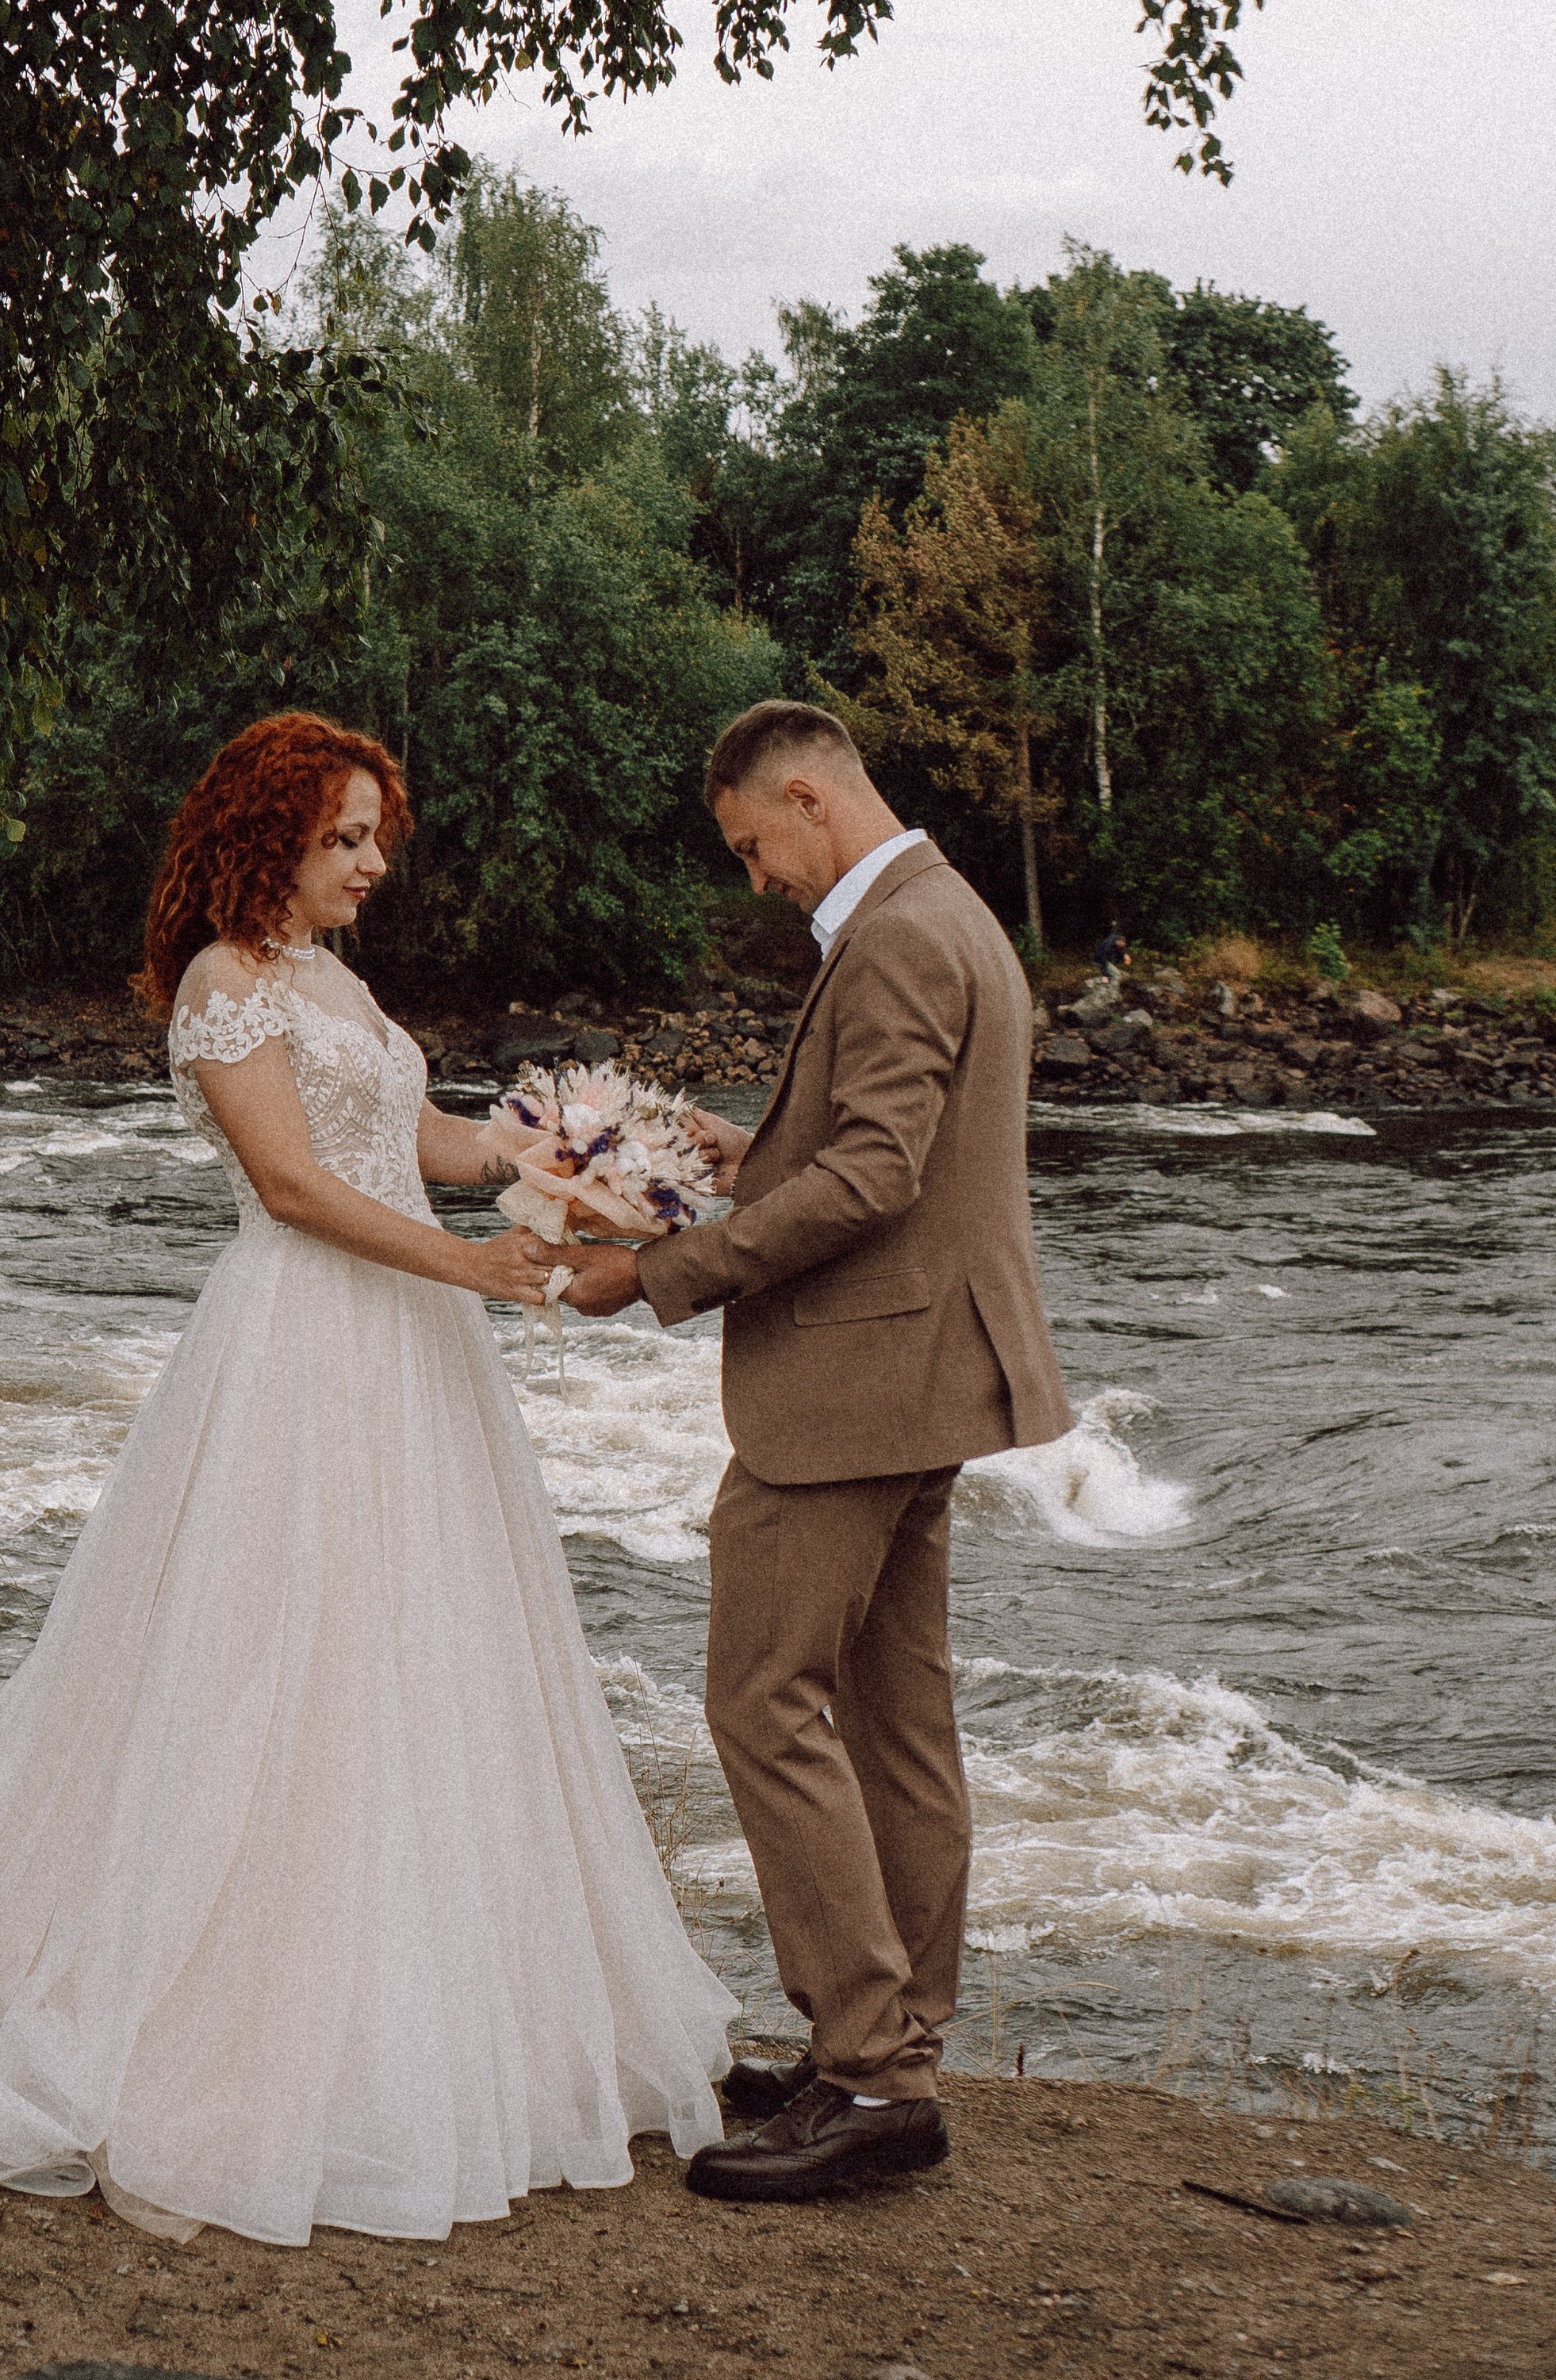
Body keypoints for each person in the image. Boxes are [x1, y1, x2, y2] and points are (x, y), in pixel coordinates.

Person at [0, 712, 733, 2245]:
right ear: (271, 837)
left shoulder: (331, 981)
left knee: (422, 1659)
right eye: (348, 839)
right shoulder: (224, 985)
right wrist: (471, 1262)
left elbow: (416, 1134)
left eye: (379, 836)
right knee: (267, 1657)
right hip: (303, 1342)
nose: (376, 864)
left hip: (415, 1356)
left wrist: (583, 1158)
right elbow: (297, 1186)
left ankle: (431, 2019)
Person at [539, 699, 1072, 2204]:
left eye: (751, 845)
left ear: (802, 794)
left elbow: (879, 1172)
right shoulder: (947, 909)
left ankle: (871, 2073)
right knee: (900, 1722)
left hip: (857, 1387)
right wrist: (738, 1147)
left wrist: (657, 1270)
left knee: (761, 1704)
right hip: (932, 1375)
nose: (754, 876)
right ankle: (887, 2045)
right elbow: (869, 1145)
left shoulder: (897, 931)